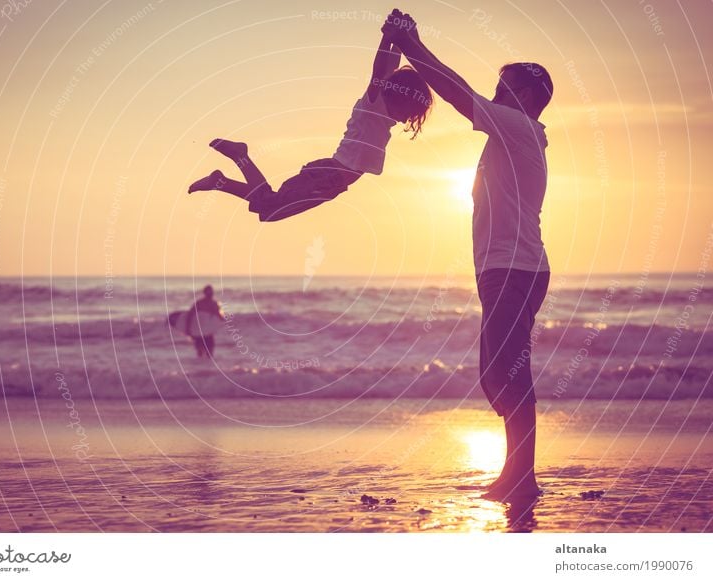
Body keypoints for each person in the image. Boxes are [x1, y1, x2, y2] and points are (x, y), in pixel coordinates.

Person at [382, 9, 553, 501]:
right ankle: (519, 471)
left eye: (503, 84)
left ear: (524, 95)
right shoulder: (513, 132)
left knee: (509, 371)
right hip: (505, 270)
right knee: (494, 374)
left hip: (515, 269)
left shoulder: (516, 126)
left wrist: (412, 45)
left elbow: (456, 91)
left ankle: (522, 477)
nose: (494, 91)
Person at [187, 30, 433, 222]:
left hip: (332, 184)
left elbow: (390, 64)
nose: (405, 120)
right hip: (327, 176)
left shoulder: (385, 115)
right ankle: (239, 158)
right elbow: (379, 71)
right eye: (408, 112)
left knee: (270, 207)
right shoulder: (374, 104)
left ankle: (221, 180)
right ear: (398, 97)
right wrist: (386, 36)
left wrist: (402, 38)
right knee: (271, 208)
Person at [183, 285, 225, 359]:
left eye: (211, 292)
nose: (211, 294)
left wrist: (223, 322)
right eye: (210, 292)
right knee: (201, 352)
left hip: (207, 331)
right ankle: (202, 368)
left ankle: (206, 368)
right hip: (199, 331)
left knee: (209, 352)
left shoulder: (213, 304)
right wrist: (188, 328)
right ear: (205, 293)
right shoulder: (200, 304)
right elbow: (190, 315)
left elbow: (218, 316)